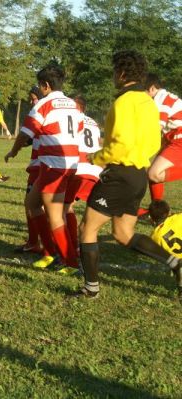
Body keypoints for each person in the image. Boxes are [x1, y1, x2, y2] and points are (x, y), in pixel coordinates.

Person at [71, 50, 180, 299]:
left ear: (120, 73)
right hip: (138, 175)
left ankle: (91, 288)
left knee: (87, 228)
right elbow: (154, 142)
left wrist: (95, 158)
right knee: (123, 233)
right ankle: (176, 264)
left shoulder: (123, 102)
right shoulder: (148, 103)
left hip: (119, 175)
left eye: (114, 72)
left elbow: (118, 145)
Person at [5, 64, 83, 274]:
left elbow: (25, 134)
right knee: (32, 203)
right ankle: (49, 251)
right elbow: (79, 129)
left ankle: (71, 261)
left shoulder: (43, 105)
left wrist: (13, 151)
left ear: (45, 85)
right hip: (69, 163)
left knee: (55, 215)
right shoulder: (73, 105)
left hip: (54, 165)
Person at [137, 74, 182, 216]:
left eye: (142, 92)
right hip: (173, 138)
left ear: (151, 88)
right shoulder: (163, 98)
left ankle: (158, 210)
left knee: (154, 173)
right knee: (152, 173)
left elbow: (155, 129)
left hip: (179, 137)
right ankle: (157, 212)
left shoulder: (159, 101)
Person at [63, 95, 102, 251]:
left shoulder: (71, 119)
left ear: (77, 107)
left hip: (78, 169)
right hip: (95, 170)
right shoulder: (93, 122)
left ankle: (72, 244)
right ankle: (83, 241)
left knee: (65, 207)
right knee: (89, 212)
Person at [15, 86, 43, 254]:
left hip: (42, 164)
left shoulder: (43, 112)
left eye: (34, 98)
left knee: (32, 204)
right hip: (39, 164)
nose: (32, 102)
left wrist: (15, 148)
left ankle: (37, 241)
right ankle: (37, 240)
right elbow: (31, 139)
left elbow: (26, 137)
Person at [148, 200, 182, 300]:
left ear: (151, 218)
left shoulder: (154, 236)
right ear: (169, 212)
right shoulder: (178, 218)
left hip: (177, 263)